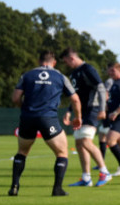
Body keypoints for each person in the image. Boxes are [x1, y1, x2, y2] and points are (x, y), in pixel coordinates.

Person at [9, 51, 81, 197]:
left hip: (28, 118)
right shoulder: (60, 76)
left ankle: (14, 187)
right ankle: (57, 189)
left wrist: (24, 108)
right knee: (62, 153)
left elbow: (15, 98)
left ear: (39, 60)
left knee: (22, 152)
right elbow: (75, 99)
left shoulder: (27, 75)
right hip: (48, 118)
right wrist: (78, 117)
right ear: (54, 62)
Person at [60, 48, 112, 188]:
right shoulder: (74, 73)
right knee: (79, 143)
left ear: (71, 58)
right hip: (81, 111)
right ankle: (86, 178)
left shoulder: (88, 69)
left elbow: (100, 88)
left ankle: (104, 172)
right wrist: (70, 111)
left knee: (85, 141)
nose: (66, 64)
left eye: (66, 61)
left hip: (92, 109)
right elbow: (76, 94)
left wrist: (102, 108)